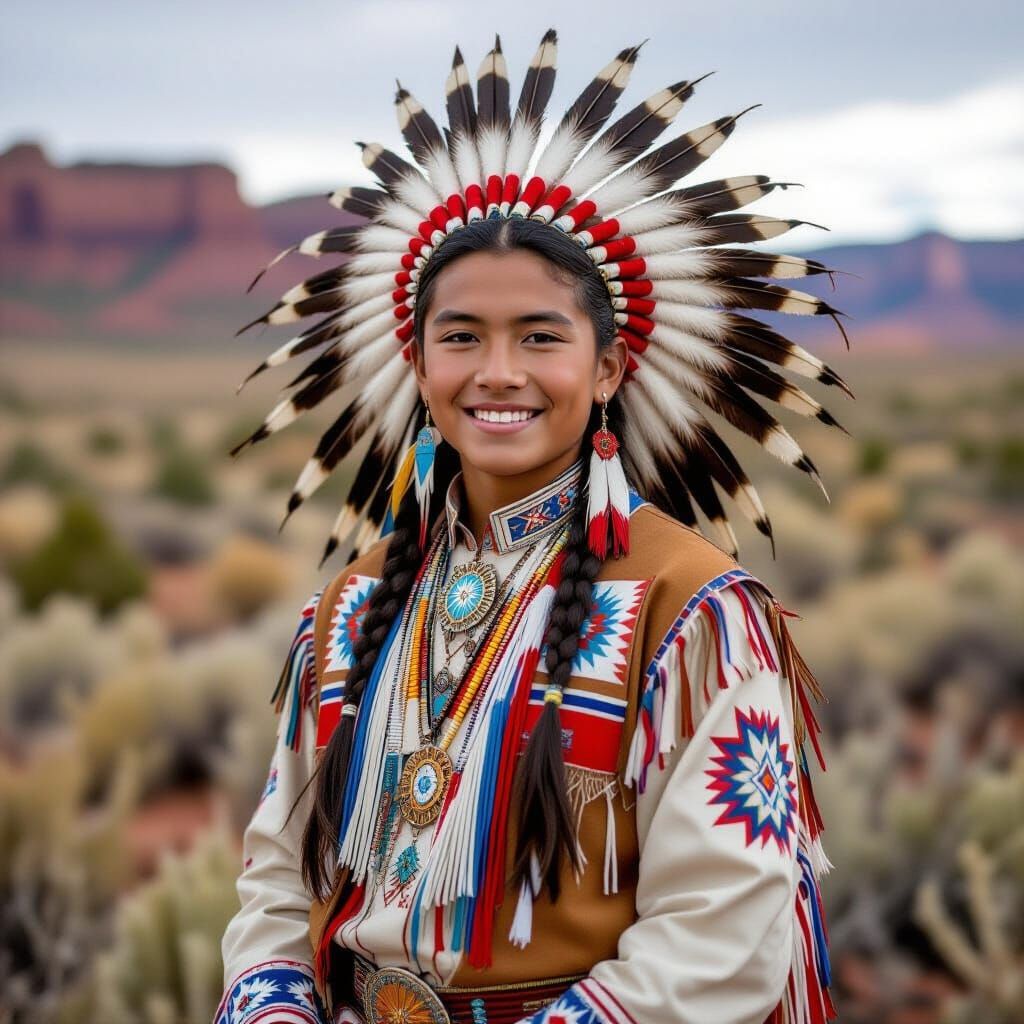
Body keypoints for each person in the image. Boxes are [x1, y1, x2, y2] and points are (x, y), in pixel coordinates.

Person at [215, 29, 848, 1024]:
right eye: (460, 336)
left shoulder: (694, 619)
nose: (497, 372)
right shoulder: (347, 612)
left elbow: (723, 926)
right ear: (418, 368)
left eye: (540, 337)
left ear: (607, 369)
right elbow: (277, 879)